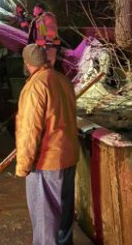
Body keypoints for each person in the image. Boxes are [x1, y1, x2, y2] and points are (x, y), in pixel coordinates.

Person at [15, 44, 80, 245]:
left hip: (47, 162)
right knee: (64, 220)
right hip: (69, 158)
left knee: (46, 223)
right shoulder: (63, 80)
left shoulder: (36, 86)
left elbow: (29, 129)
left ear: (27, 63)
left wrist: (23, 165)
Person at [26, 3, 61, 68]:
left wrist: (45, 46)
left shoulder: (46, 17)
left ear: (40, 9)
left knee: (46, 68)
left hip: (47, 47)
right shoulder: (37, 19)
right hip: (39, 47)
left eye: (35, 9)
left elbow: (49, 34)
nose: (33, 10)